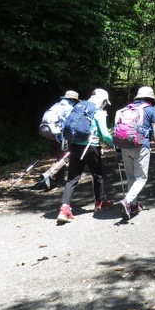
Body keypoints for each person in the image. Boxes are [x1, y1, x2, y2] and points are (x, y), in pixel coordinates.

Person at [56, 88, 115, 224]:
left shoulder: (79, 107)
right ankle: (99, 203)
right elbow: (105, 134)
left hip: (75, 145)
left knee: (72, 178)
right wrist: (115, 145)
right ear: (103, 101)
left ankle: (64, 209)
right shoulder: (98, 112)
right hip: (91, 147)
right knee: (97, 175)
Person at [117, 86, 155, 220]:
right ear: (150, 98)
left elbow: (118, 130)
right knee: (141, 178)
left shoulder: (126, 109)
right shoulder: (151, 110)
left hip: (124, 146)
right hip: (142, 145)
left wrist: (117, 149)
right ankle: (127, 201)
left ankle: (133, 205)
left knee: (131, 177)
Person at [42, 90, 79, 186]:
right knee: (66, 157)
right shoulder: (69, 108)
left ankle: (59, 180)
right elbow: (69, 124)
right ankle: (48, 174)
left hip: (50, 135)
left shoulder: (55, 105)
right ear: (73, 99)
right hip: (61, 137)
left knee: (60, 157)